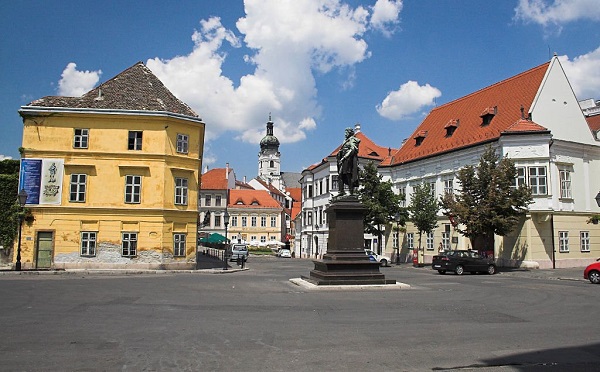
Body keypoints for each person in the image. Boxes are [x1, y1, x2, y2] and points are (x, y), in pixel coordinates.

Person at [336, 127, 360, 195]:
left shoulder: (353, 140)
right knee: (340, 176)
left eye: (346, 132)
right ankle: (341, 191)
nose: (345, 134)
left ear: (350, 132)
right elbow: (343, 149)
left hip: (349, 160)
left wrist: (344, 157)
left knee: (348, 175)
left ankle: (351, 192)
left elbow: (352, 149)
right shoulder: (345, 141)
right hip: (343, 160)